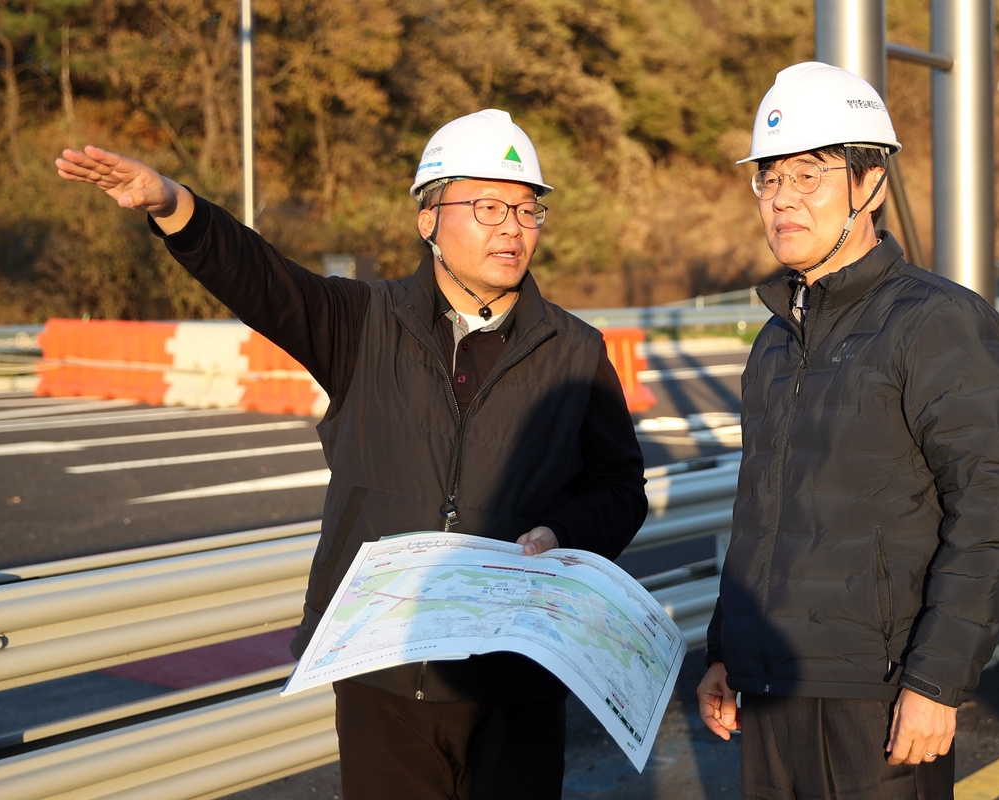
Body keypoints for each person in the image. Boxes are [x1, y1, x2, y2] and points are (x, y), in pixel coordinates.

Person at [56, 108, 648, 800]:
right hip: (383, 674)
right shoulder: (364, 322)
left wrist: (564, 533)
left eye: (527, 210)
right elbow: (263, 281)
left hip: (514, 677)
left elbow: (619, 487)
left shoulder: (573, 351)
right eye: (488, 206)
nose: (512, 228)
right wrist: (174, 206)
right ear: (428, 217)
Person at [695, 62, 999, 799]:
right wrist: (726, 651)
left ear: (869, 183)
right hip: (773, 681)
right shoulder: (775, 340)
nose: (782, 200)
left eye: (808, 177)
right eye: (769, 179)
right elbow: (761, 515)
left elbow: (988, 506)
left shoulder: (935, 320)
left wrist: (938, 680)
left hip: (878, 692)